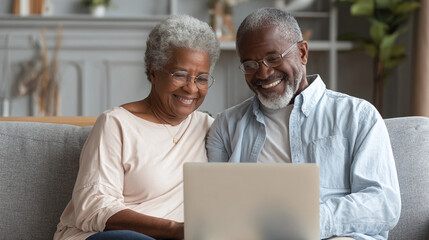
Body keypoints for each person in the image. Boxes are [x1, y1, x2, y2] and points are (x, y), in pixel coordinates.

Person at [206, 7, 401, 240]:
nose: (263, 73)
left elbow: (383, 204)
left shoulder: (358, 116)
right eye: (250, 64)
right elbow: (213, 207)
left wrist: (305, 222)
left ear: (302, 52)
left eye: (273, 58)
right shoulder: (226, 125)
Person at [54, 14, 220, 240]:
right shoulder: (116, 124)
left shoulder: (208, 128)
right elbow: (93, 205)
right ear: (153, 71)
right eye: (180, 75)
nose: (191, 88)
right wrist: (174, 229)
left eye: (201, 78)